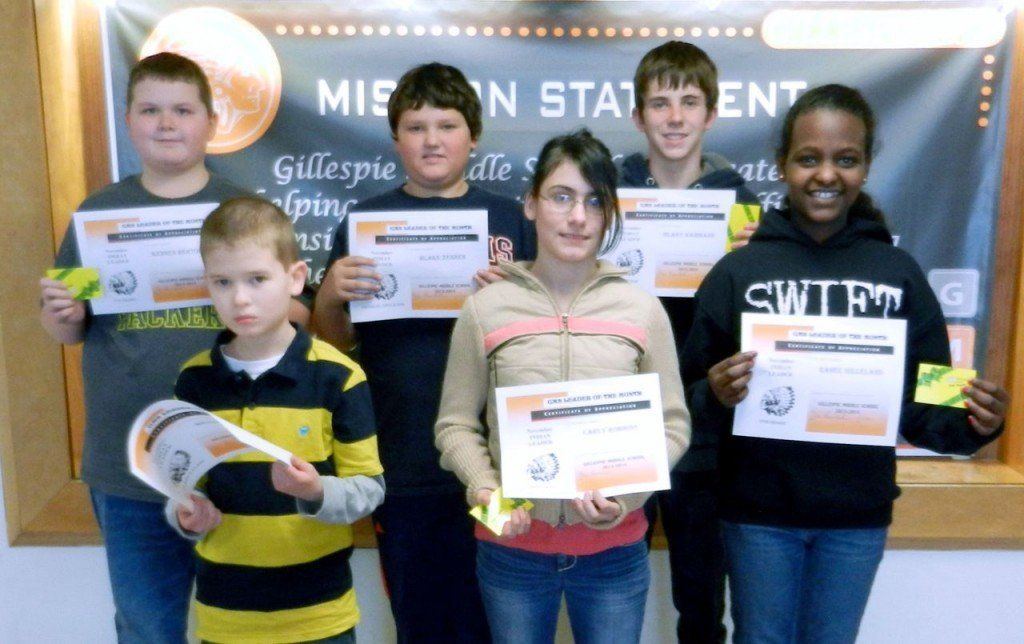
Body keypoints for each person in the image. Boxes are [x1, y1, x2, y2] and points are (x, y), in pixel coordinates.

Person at [681, 84, 1009, 644]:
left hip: (855, 516)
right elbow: (683, 401)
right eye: (809, 158)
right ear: (784, 165)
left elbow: (930, 405)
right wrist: (714, 391)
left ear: (865, 167)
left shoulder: (898, 273)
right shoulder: (739, 273)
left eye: (846, 160)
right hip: (757, 513)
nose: (826, 175)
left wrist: (978, 419)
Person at [434, 129, 690, 643]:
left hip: (615, 555)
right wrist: (488, 499)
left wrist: (628, 495)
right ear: (531, 205)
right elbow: (455, 425)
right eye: (561, 197)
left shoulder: (642, 310)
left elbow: (673, 425)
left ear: (610, 214)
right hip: (511, 555)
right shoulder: (485, 309)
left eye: (594, 201)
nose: (577, 217)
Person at [312, 62, 535, 642]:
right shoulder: (363, 224)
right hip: (403, 468)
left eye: (447, 124)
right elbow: (331, 351)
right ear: (395, 139)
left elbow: (548, 340)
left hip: (492, 471)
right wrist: (331, 296)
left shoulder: (511, 219)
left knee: (497, 615)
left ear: (474, 136)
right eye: (415, 127)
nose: (432, 140)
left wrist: (511, 303)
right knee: (420, 618)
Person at [38, 52, 255, 644]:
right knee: (146, 629)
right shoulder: (99, 214)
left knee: (246, 628)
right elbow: (69, 326)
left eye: (182, 110)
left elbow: (294, 314)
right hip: (127, 465)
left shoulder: (243, 214)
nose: (166, 123)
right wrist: (61, 310)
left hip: (231, 459)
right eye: (151, 110)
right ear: (129, 122)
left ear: (209, 122)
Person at [168, 197, 384, 643]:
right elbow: (182, 489)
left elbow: (368, 489)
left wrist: (316, 490)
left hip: (320, 619)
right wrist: (186, 513)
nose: (240, 298)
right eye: (222, 282)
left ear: (295, 277)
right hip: (225, 620)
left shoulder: (339, 377)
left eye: (257, 279)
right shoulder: (193, 382)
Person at [621, 40, 760, 643]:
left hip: (705, 430)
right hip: (619, 416)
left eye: (688, 101)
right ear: (638, 116)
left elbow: (757, 321)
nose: (674, 117)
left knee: (701, 601)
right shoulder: (608, 199)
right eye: (659, 103)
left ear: (711, 113)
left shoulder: (742, 208)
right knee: (609, 584)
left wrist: (752, 267)